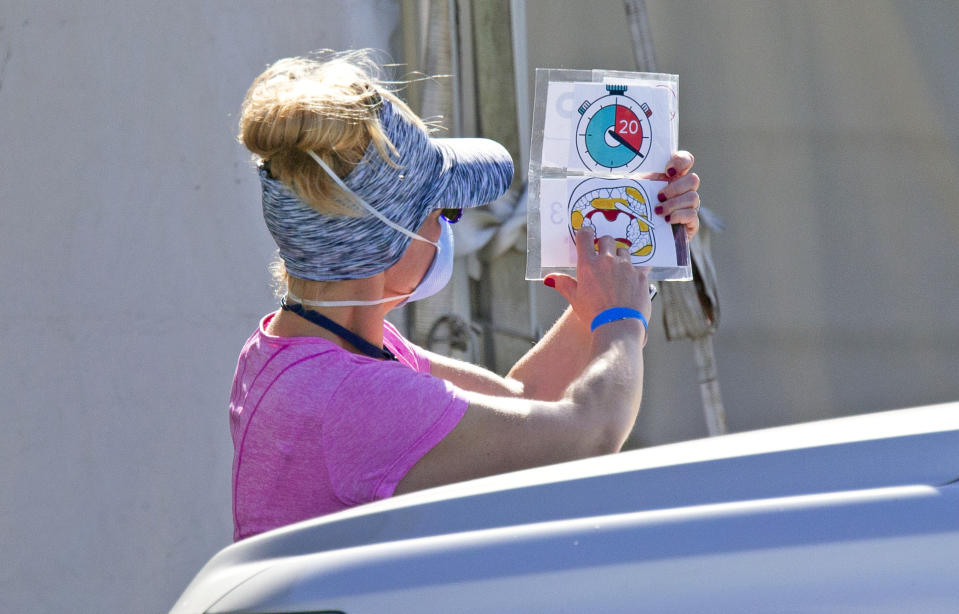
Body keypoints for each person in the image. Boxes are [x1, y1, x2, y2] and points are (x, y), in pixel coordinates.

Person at [230, 51, 701, 541]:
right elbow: (589, 434)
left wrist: (634, 251)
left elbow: (525, 400)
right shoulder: (354, 400)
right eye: (445, 211)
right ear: (388, 236)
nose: (448, 227)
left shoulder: (302, 354)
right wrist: (622, 321)